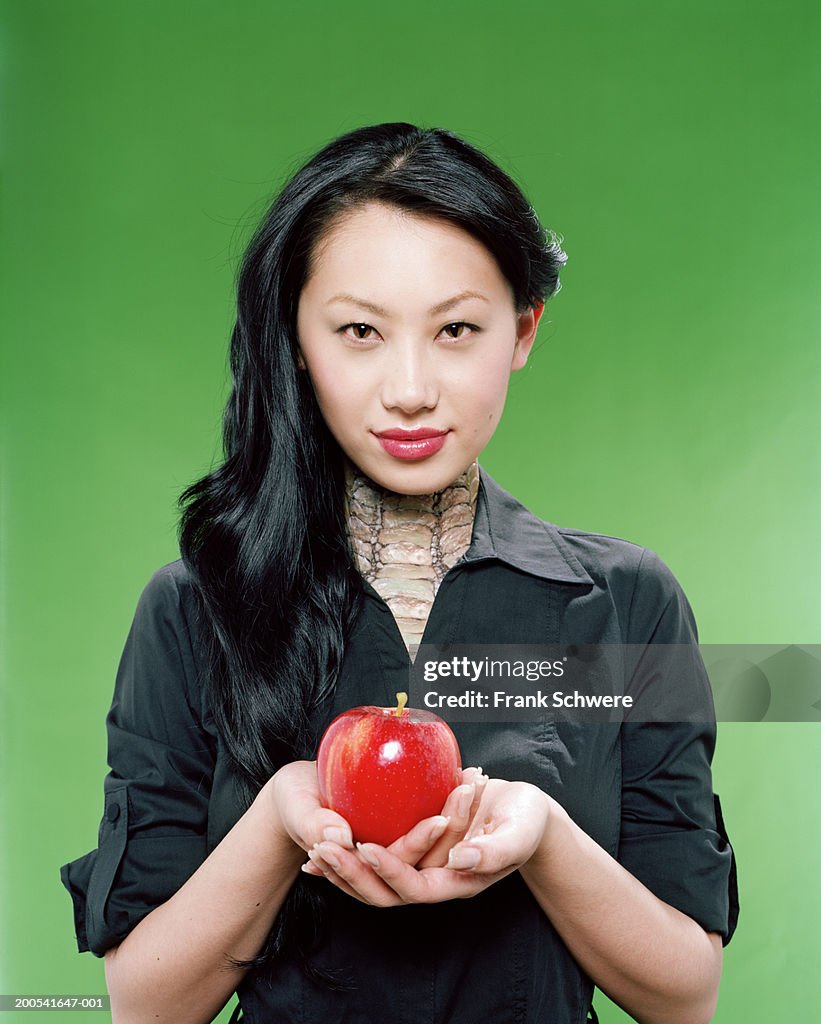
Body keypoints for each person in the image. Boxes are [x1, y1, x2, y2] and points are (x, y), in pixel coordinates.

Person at [60, 122, 738, 1024]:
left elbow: (685, 995)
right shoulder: (194, 608)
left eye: (456, 327)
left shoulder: (627, 603)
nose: (410, 387)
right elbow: (144, 1006)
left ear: (523, 330)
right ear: (298, 342)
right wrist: (275, 817)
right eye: (358, 331)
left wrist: (542, 835)